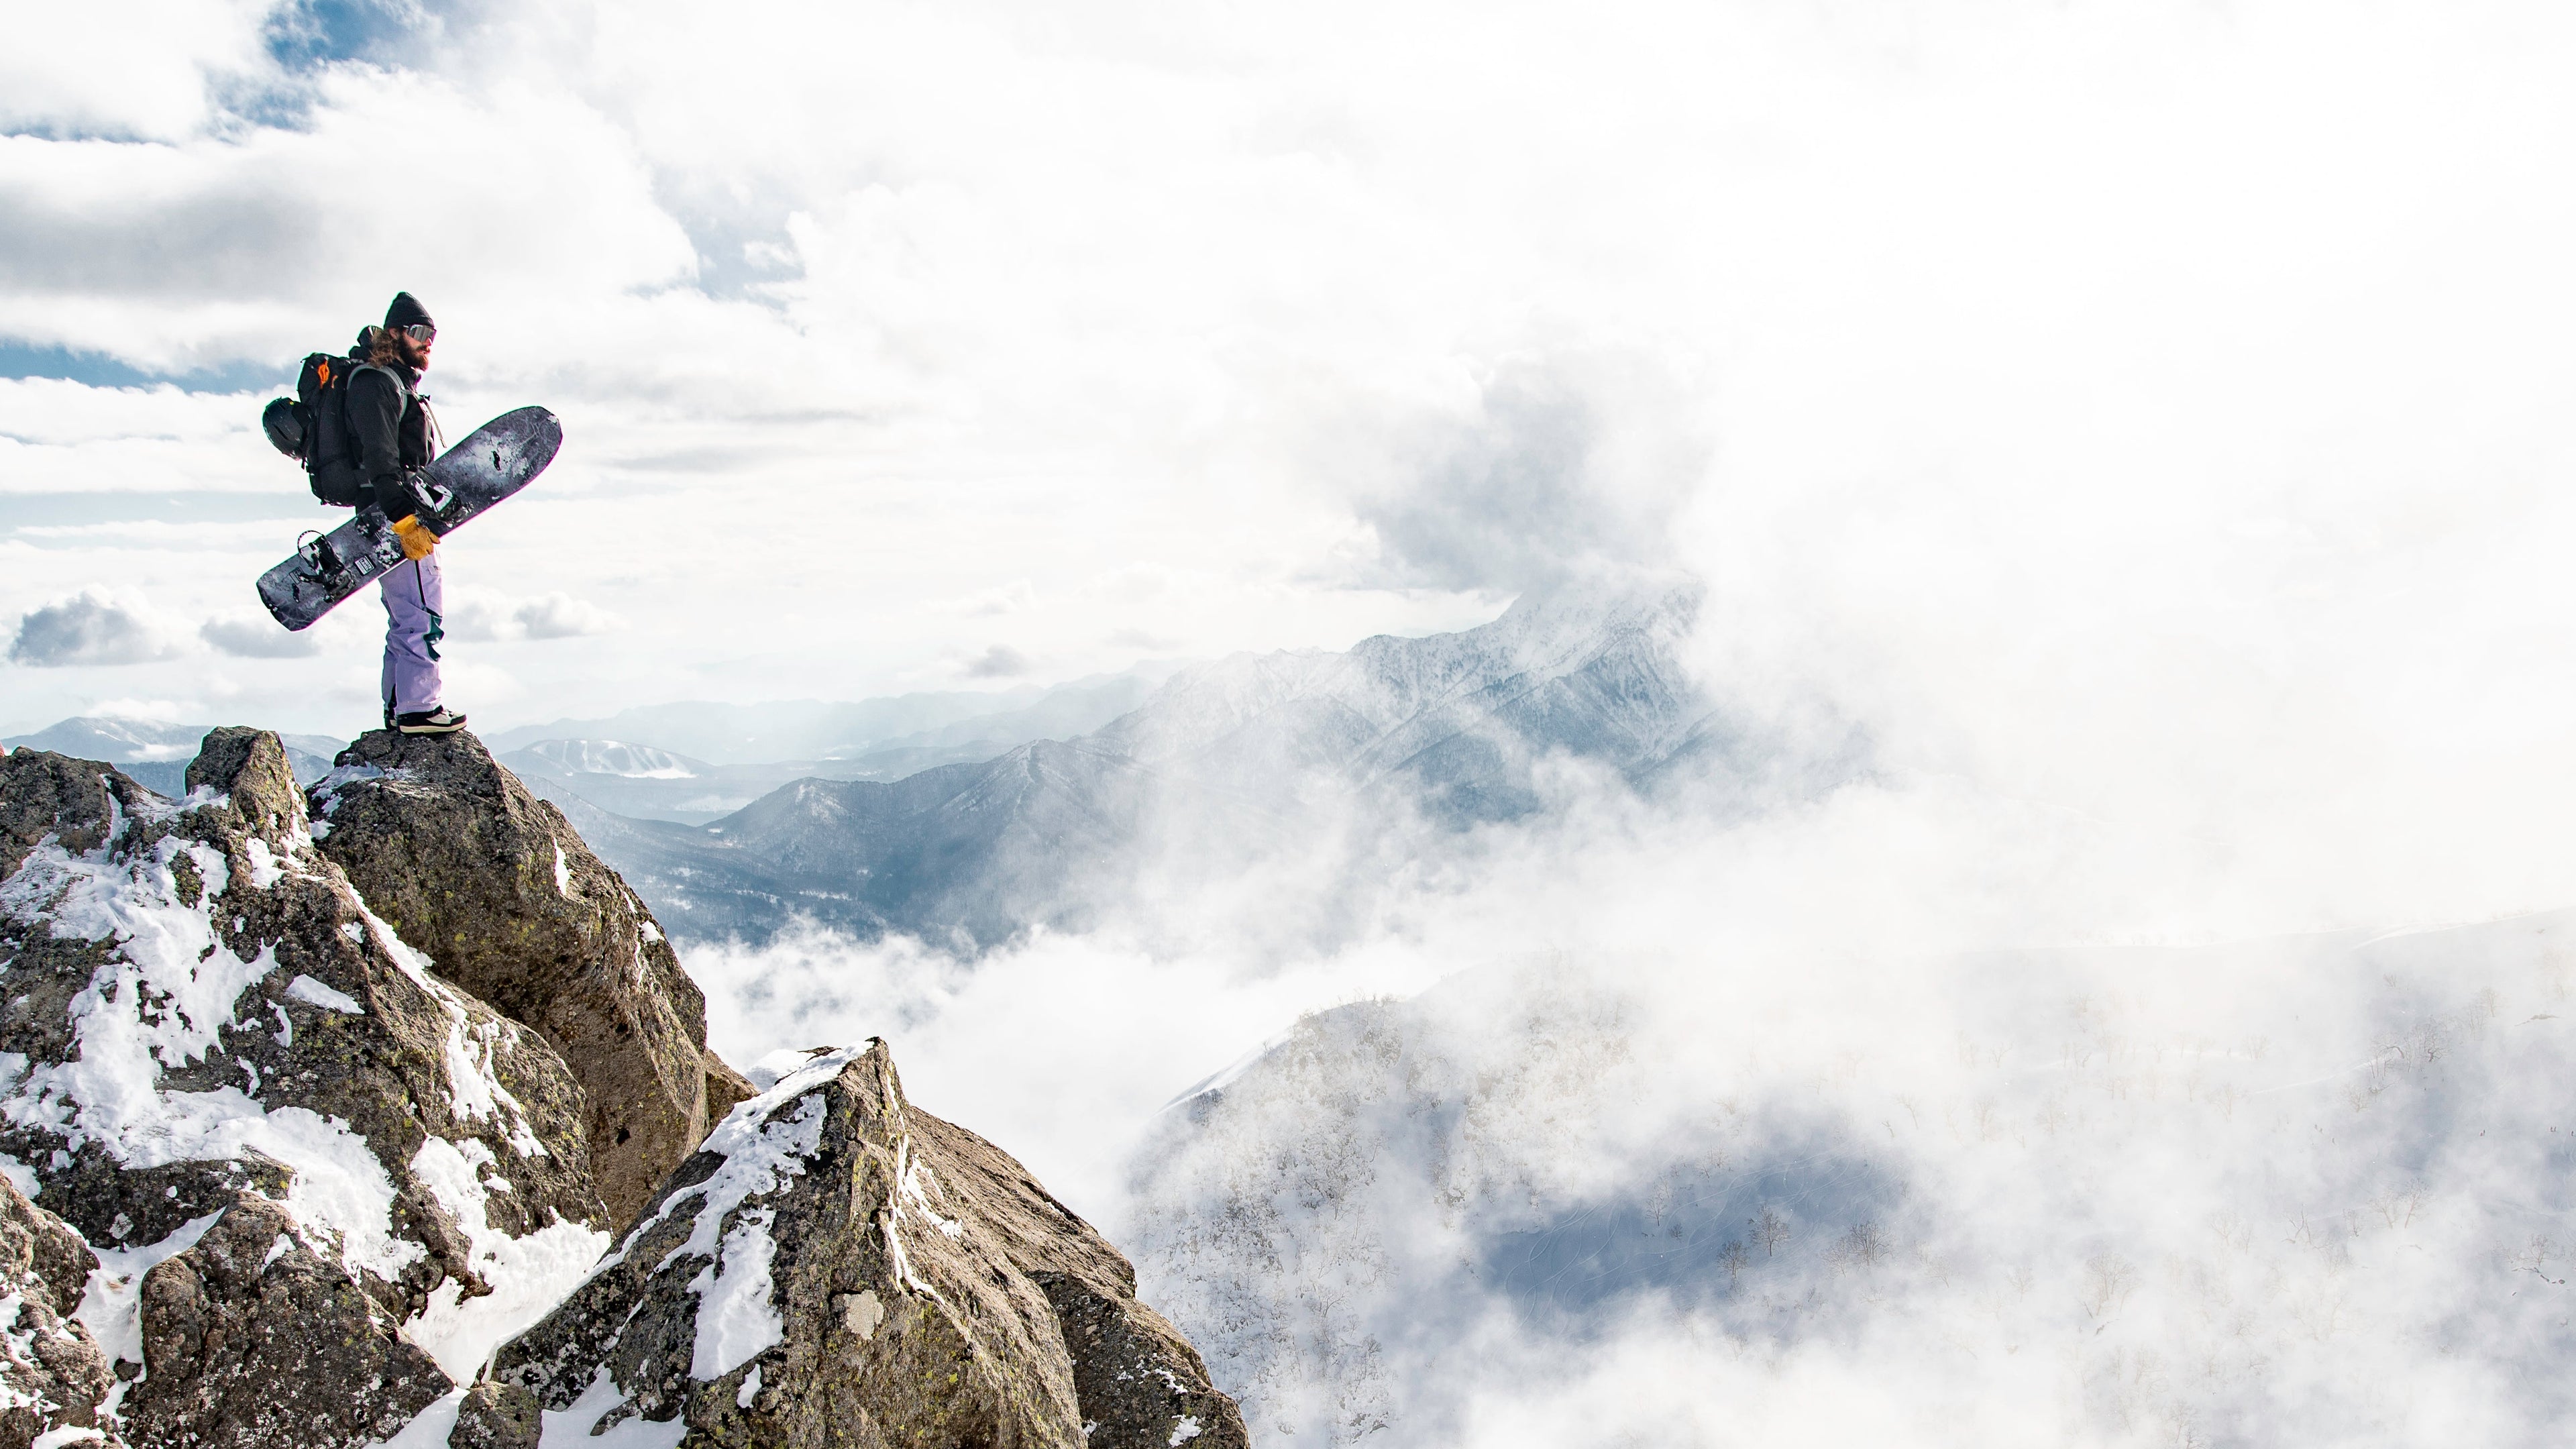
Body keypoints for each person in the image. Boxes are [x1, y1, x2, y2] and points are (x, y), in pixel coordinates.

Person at [343, 292, 466, 736]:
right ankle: (419, 708)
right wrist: (404, 519)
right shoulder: (377, 383)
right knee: (422, 612)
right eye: (418, 332)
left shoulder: (389, 381)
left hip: (387, 513)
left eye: (432, 335)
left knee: (404, 615)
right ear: (394, 333)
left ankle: (402, 707)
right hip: (395, 517)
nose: (427, 341)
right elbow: (380, 458)